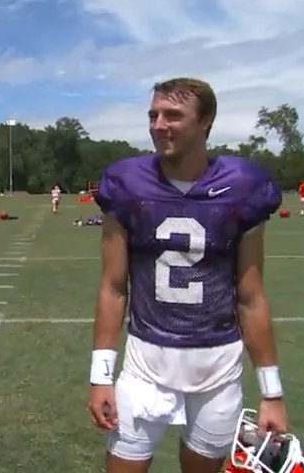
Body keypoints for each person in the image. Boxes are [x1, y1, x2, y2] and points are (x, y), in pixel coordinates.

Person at [87, 77, 289, 473]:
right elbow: (113, 287)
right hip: (146, 362)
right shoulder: (127, 183)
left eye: (173, 116)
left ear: (206, 121)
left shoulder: (243, 186)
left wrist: (272, 393)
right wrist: (100, 376)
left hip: (218, 366)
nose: (159, 124)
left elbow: (250, 295)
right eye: (153, 115)